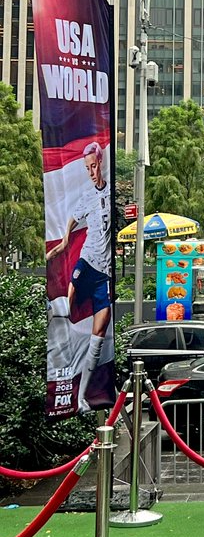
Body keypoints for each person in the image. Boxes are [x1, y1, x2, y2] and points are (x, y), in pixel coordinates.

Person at [46, 142, 112, 412]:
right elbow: (73, 219)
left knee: (99, 334)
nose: (91, 172)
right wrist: (62, 244)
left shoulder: (111, 191)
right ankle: (56, 316)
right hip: (86, 261)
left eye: (94, 166)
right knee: (69, 294)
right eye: (87, 168)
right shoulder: (86, 196)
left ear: (101, 164)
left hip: (104, 273)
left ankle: (83, 396)